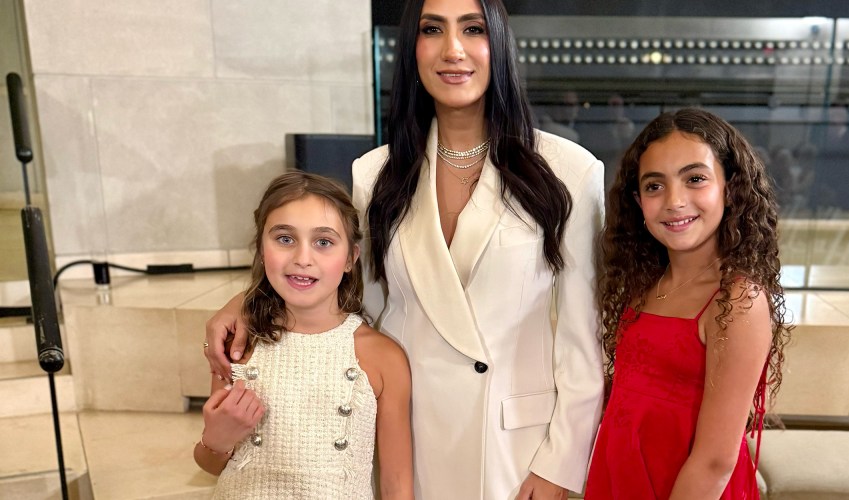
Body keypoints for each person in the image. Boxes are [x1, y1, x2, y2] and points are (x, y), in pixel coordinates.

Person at [203, 0, 606, 498]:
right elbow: (348, 293)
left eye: (473, 29)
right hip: (412, 439)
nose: (452, 49)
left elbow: (582, 341)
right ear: (412, 49)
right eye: (432, 29)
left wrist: (560, 465)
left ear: (498, 42)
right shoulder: (374, 173)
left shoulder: (569, 170)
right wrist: (247, 301)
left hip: (517, 449)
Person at [585, 108, 791, 499]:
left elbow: (715, 460)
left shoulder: (736, 300)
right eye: (654, 186)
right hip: (622, 477)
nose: (674, 201)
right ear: (637, 200)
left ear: (730, 188)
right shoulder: (645, 284)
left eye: (695, 179)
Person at [194, 171, 413, 499]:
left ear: (351, 258)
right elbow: (210, 464)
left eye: (323, 242)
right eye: (285, 238)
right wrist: (218, 439)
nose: (302, 258)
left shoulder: (383, 358)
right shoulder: (239, 345)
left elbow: (396, 485)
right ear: (261, 248)